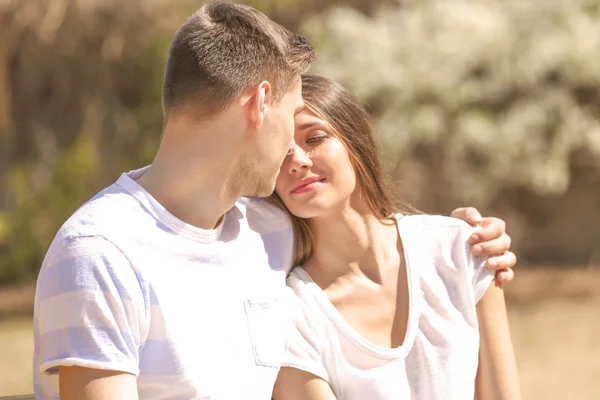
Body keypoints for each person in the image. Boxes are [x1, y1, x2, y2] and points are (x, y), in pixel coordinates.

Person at [32, 3, 516, 400]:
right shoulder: (100, 254)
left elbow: (365, 233)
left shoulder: (266, 230)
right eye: (290, 116)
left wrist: (464, 238)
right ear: (261, 103)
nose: (293, 154)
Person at [271, 75, 521, 400]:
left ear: (355, 141)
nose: (297, 162)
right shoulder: (293, 315)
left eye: (314, 138)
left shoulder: (460, 248)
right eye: (279, 151)